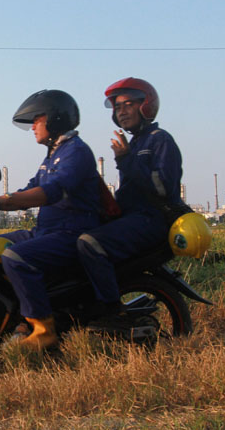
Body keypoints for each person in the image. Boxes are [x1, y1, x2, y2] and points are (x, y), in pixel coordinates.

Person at [0, 89, 102, 351]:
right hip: (46, 230)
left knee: (15, 257)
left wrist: (2, 201)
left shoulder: (76, 152)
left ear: (55, 119)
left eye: (37, 119)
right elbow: (32, 187)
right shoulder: (54, 153)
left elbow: (51, 191)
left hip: (71, 232)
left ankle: (44, 330)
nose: (33, 126)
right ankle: (19, 315)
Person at [77, 77, 184, 328]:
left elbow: (162, 188)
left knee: (90, 244)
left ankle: (110, 310)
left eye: (127, 105)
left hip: (152, 220)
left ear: (145, 106)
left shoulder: (159, 140)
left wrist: (125, 160)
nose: (121, 112)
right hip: (133, 217)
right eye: (117, 107)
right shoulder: (135, 143)